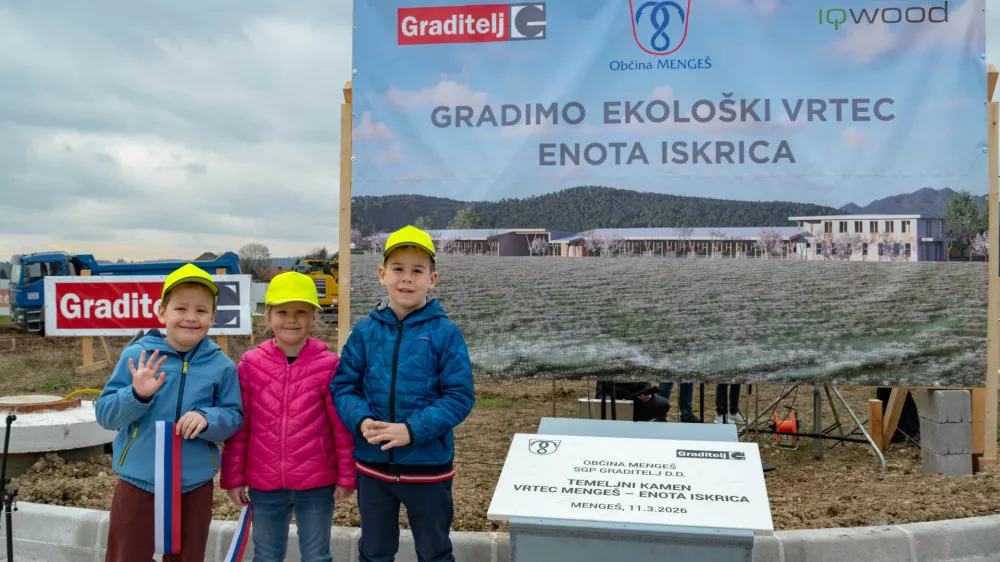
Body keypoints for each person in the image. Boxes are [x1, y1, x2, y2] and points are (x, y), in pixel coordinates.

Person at [333, 225, 476, 562]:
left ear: (433, 279)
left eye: (417, 270)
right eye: (398, 269)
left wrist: (411, 430)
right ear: (383, 275)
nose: (406, 278)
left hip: (428, 466)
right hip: (373, 466)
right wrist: (361, 419)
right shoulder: (365, 331)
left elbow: (459, 397)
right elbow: (343, 386)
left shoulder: (445, 333)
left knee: (434, 551)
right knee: (374, 550)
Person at [95, 263, 244, 562]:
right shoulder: (137, 356)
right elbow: (105, 415)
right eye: (180, 308)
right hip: (138, 483)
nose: (191, 317)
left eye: (201, 311)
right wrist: (136, 394)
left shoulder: (222, 366)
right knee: (127, 555)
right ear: (162, 313)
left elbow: (233, 416)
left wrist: (208, 418)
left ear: (213, 318)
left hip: (193, 485)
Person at [220, 271, 356, 562]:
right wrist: (233, 476)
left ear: (314, 318)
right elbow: (240, 428)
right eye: (282, 311)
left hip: (317, 485)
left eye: (301, 312)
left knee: (317, 556)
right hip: (265, 484)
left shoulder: (329, 364)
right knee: (267, 556)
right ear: (268, 317)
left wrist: (346, 475)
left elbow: (341, 427)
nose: (291, 319)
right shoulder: (250, 365)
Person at [595, 381, 670, 422]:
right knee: (610, 406)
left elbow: (646, 382)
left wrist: (648, 393)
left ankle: (636, 425)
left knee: (663, 404)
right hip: (612, 396)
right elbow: (602, 390)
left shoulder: (639, 358)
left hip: (637, 397)